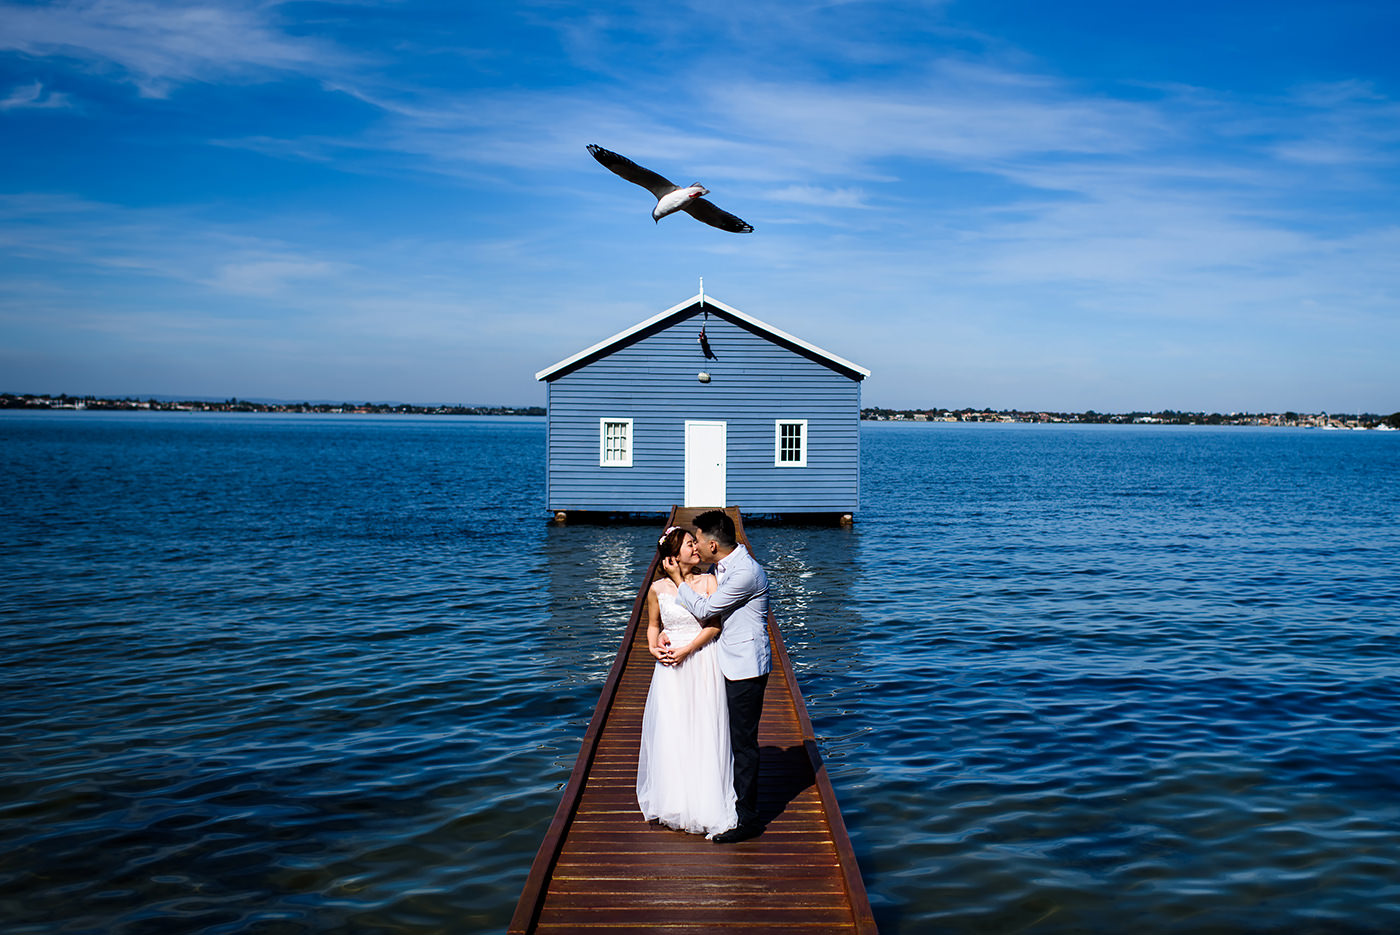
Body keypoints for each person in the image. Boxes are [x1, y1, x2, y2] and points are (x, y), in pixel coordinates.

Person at [662, 509, 770, 844]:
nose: (696, 546)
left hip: (745, 667)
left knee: (743, 744)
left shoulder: (745, 573)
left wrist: (679, 581)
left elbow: (708, 611)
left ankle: (747, 820)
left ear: (712, 543)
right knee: (729, 737)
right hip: (724, 661)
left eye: (698, 540)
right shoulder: (722, 566)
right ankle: (728, 801)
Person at [636, 526, 738, 839]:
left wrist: (687, 650)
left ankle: (707, 803)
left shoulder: (708, 581)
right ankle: (676, 801)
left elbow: (714, 626)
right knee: (674, 728)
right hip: (670, 667)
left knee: (704, 726)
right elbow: (653, 626)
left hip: (700, 659)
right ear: (672, 556)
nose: (696, 549)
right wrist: (654, 647)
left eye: (696, 543)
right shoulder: (656, 589)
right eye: (690, 545)